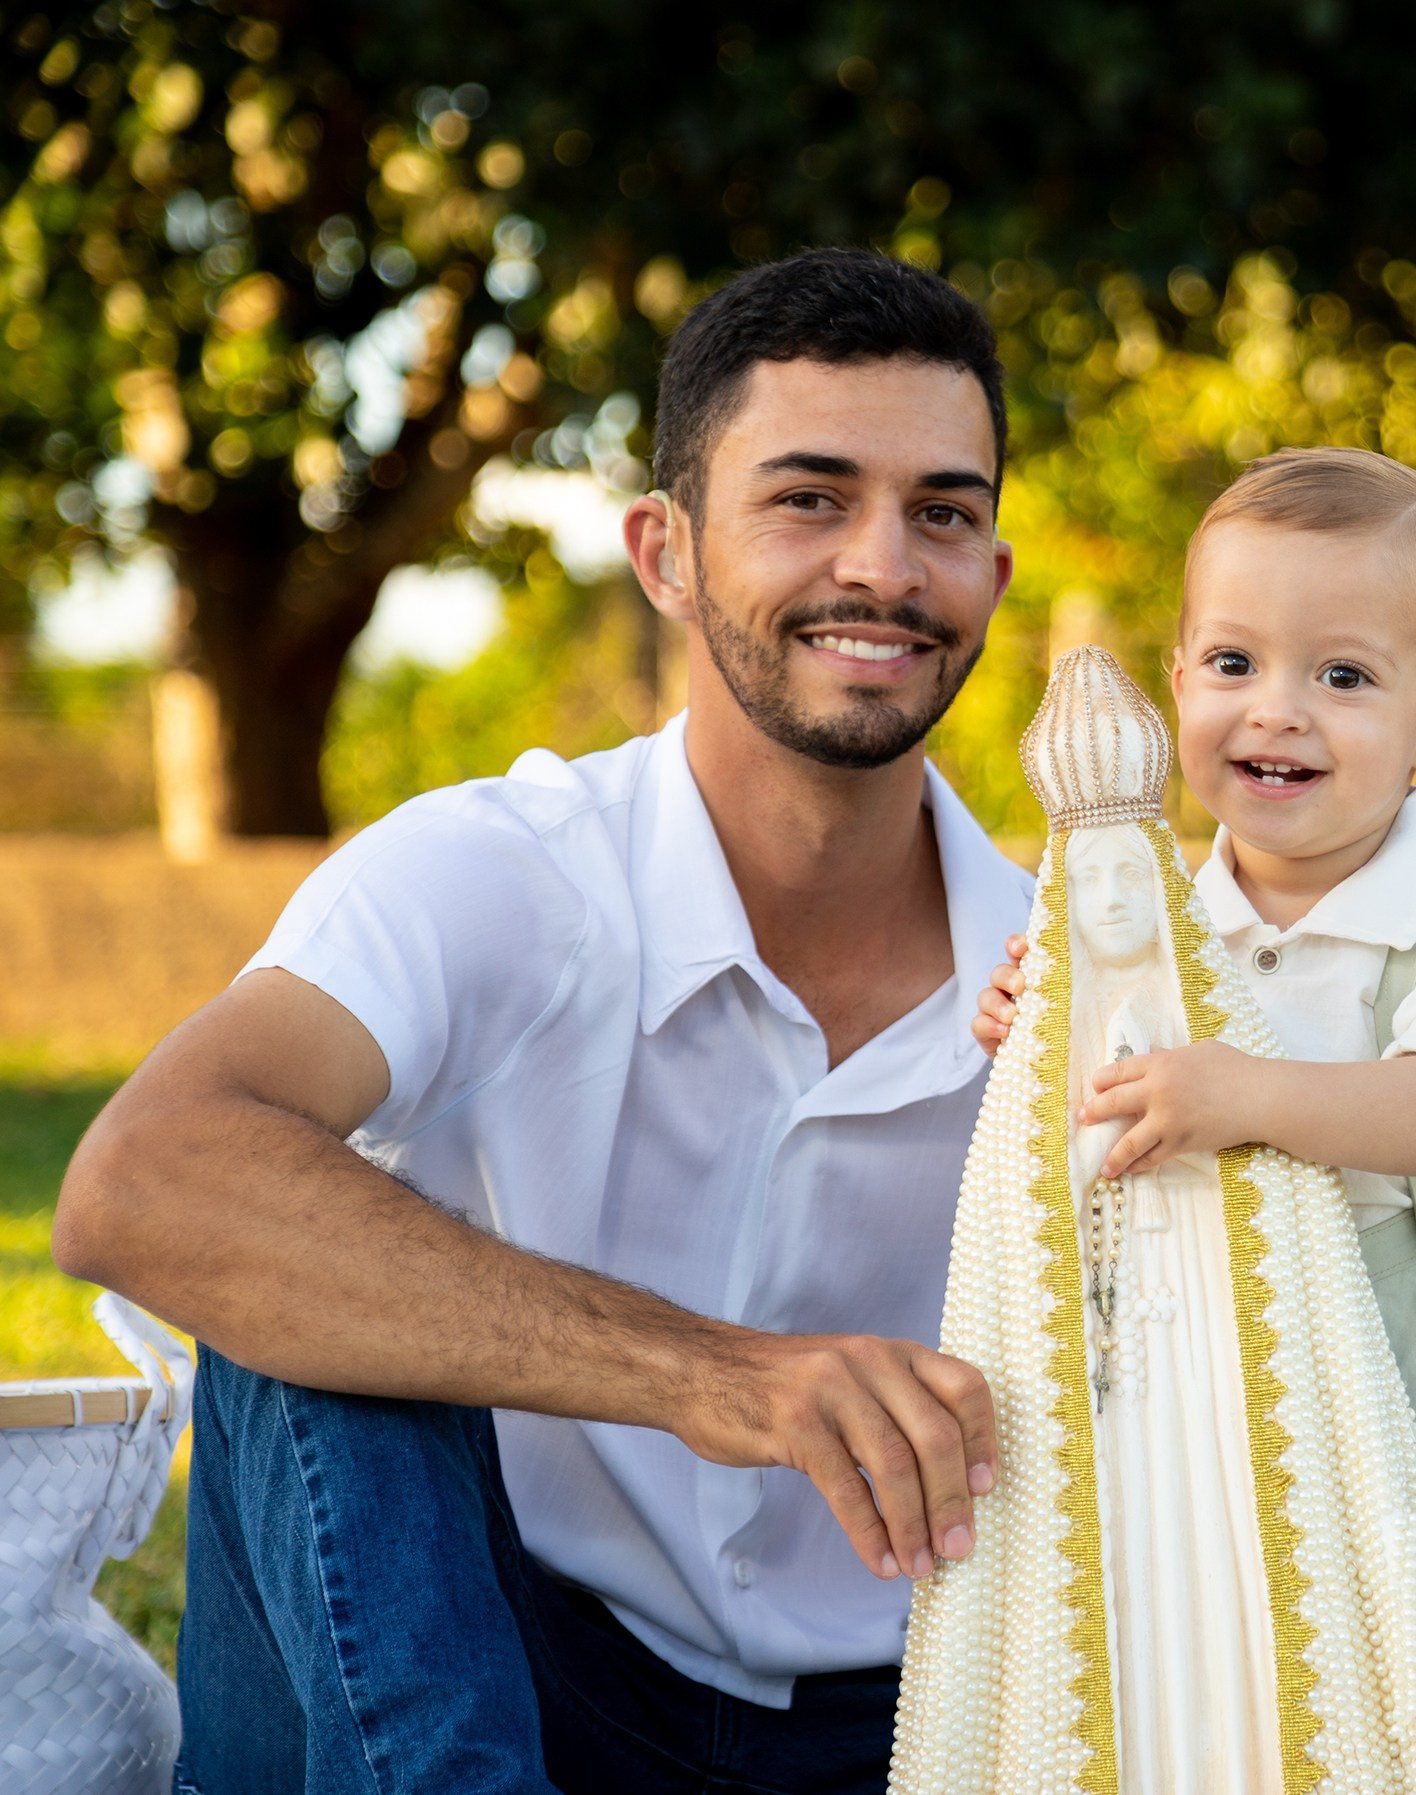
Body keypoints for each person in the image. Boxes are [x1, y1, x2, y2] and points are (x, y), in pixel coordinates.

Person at [51, 247, 1033, 1795]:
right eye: (806, 497)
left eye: (943, 512)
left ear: (989, 569)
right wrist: (721, 1375)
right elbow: (138, 1181)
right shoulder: (498, 870)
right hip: (477, 1662)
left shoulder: (1071, 978)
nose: (884, 567)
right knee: (302, 1268)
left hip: (919, 1716)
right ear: (663, 551)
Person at [972, 451, 1416, 1707]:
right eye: (1233, 664)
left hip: (1410, 1467)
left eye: (1342, 676)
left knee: (1414, 1727)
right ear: (1177, 679)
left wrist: (1242, 1092)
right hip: (1202, 1436)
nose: (1276, 710)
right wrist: (1042, 1032)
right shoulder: (1153, 923)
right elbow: (1088, 1128)